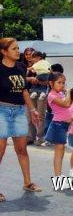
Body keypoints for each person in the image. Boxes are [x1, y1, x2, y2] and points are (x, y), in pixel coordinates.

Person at [0, 38, 42, 202]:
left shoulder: (21, 67)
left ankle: (27, 182)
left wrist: (32, 109)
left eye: (18, 48)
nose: (18, 51)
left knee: (22, 149)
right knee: (1, 151)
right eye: (14, 49)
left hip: (19, 111)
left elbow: (24, 90)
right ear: (4, 51)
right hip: (2, 111)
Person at [44, 72, 73, 188]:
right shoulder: (52, 95)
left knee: (61, 152)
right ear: (51, 83)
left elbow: (65, 109)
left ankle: (59, 175)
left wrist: (71, 116)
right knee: (59, 152)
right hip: (58, 125)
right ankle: (57, 177)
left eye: (63, 83)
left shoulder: (61, 93)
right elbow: (66, 104)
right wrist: (69, 93)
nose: (62, 85)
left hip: (63, 126)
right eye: (59, 82)